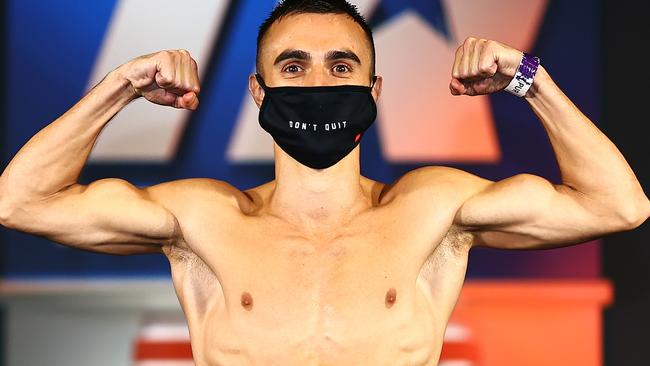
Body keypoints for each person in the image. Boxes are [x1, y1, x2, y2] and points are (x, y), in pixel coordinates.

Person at [0, 0, 648, 364]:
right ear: (259, 91)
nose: (317, 84)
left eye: (341, 66)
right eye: (293, 66)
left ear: (375, 90)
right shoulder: (204, 219)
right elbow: (19, 202)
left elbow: (619, 206)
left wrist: (528, 79)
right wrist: (120, 86)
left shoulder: (433, 209)